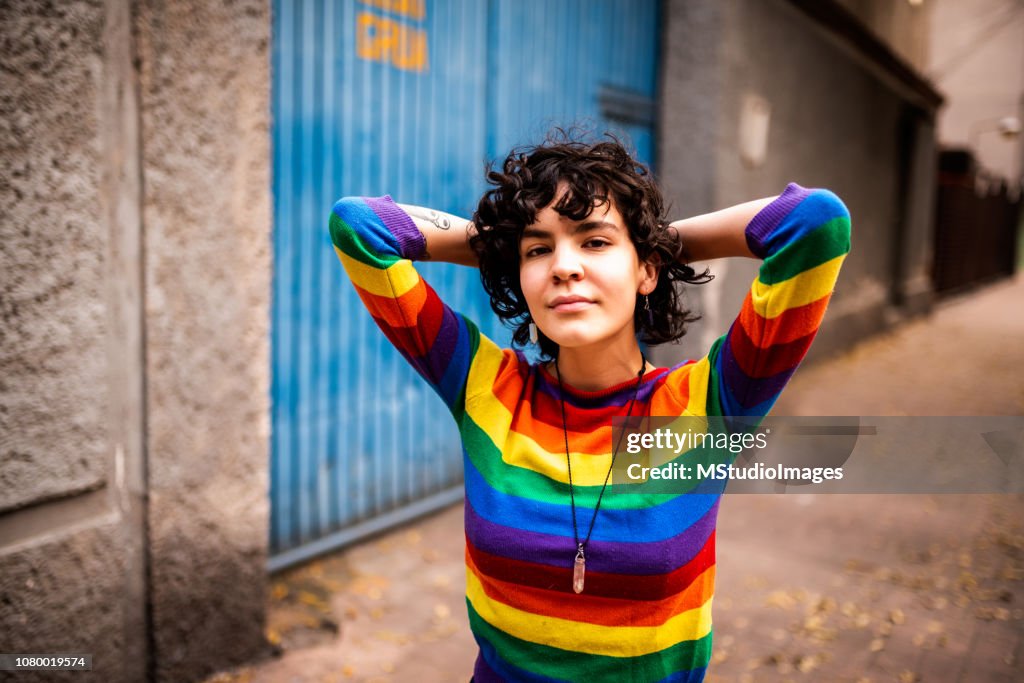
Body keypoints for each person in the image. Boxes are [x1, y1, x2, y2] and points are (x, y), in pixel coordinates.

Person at [328, 132, 851, 682]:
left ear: (647, 271)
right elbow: (360, 227)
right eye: (539, 250)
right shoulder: (484, 386)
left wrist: (655, 243)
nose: (565, 267)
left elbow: (814, 223)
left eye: (594, 243)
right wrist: (512, 245)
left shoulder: (712, 404)